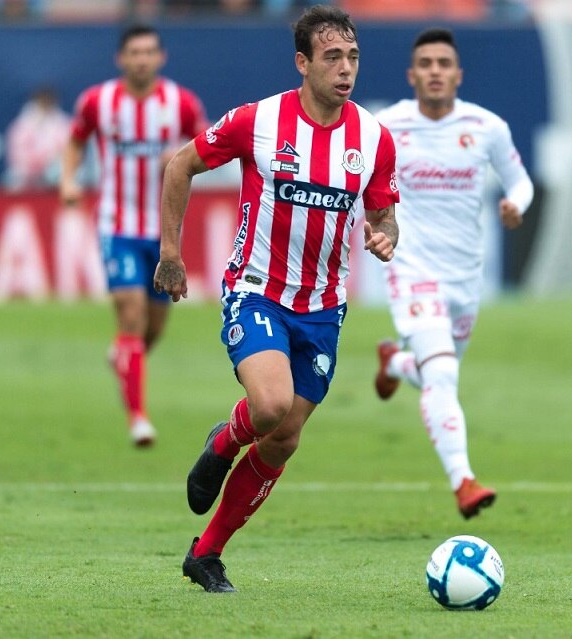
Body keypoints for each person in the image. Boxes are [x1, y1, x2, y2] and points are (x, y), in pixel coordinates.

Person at [154, 4, 399, 593]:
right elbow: (180, 165)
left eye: (353, 57)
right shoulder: (259, 121)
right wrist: (170, 252)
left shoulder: (374, 137)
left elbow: (384, 212)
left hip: (324, 307)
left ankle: (206, 554)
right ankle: (223, 443)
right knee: (269, 407)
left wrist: (386, 234)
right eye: (332, 57)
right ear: (302, 63)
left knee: (285, 436)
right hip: (258, 290)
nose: (346, 69)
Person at [372, 27, 534, 519]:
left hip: (465, 277)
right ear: (412, 74)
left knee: (438, 372)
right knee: (442, 374)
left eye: (444, 63)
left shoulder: (486, 127)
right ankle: (464, 481)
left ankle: (394, 364)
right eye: (426, 64)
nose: (435, 71)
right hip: (411, 268)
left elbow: (521, 181)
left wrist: (516, 205)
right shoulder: (386, 126)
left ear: (458, 74)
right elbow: (352, 178)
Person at [61, 24, 209, 447]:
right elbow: (75, 142)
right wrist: (68, 180)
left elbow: (206, 144)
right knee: (131, 315)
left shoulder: (181, 103)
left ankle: (124, 357)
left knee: (153, 328)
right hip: (117, 224)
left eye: (148, 52)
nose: (141, 59)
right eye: (134, 52)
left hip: (164, 232)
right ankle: (139, 418)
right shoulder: (98, 101)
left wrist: (182, 155)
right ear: (121, 59)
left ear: (160, 57)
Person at [5, 86, 71, 191]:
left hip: (53, 170)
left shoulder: (63, 123)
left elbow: (68, 150)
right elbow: (17, 151)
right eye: (42, 102)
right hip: (26, 171)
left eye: (48, 102)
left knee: (61, 173)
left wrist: (48, 164)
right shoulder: (22, 123)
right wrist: (33, 166)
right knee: (11, 179)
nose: (45, 105)